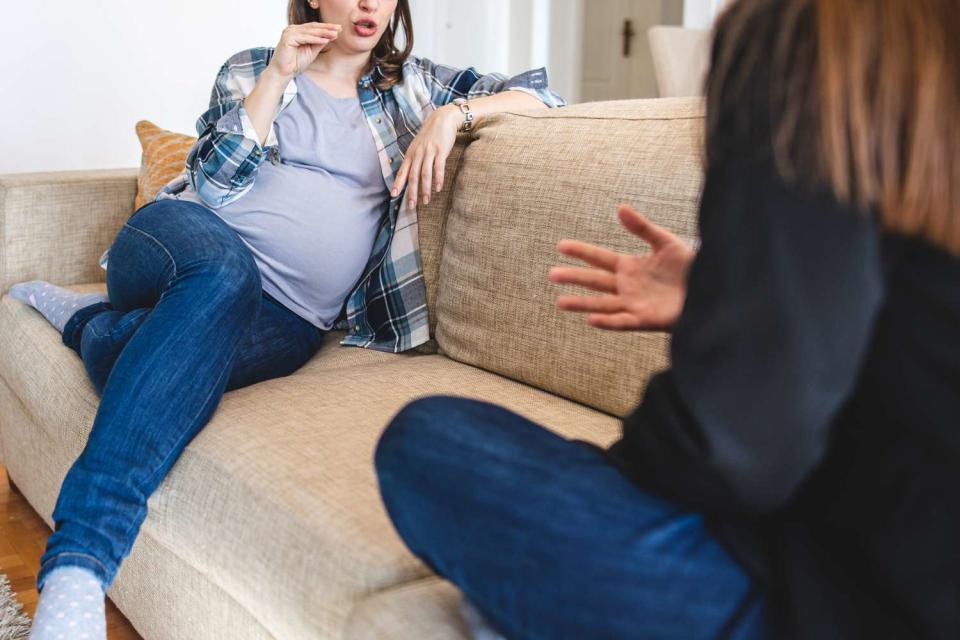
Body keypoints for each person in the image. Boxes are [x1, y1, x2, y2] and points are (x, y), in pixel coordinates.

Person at [374, 0, 959, 638]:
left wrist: (607, 482)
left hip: (843, 597)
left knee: (429, 442)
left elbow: (738, 446)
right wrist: (730, 292)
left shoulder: (806, 38)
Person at [13, 1, 564, 638]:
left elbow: (543, 94)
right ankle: (78, 569)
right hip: (180, 240)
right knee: (224, 276)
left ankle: (87, 324)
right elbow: (213, 184)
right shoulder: (252, 68)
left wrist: (453, 114)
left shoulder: (416, 85)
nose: (368, 3)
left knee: (139, 362)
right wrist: (278, 76)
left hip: (292, 319)